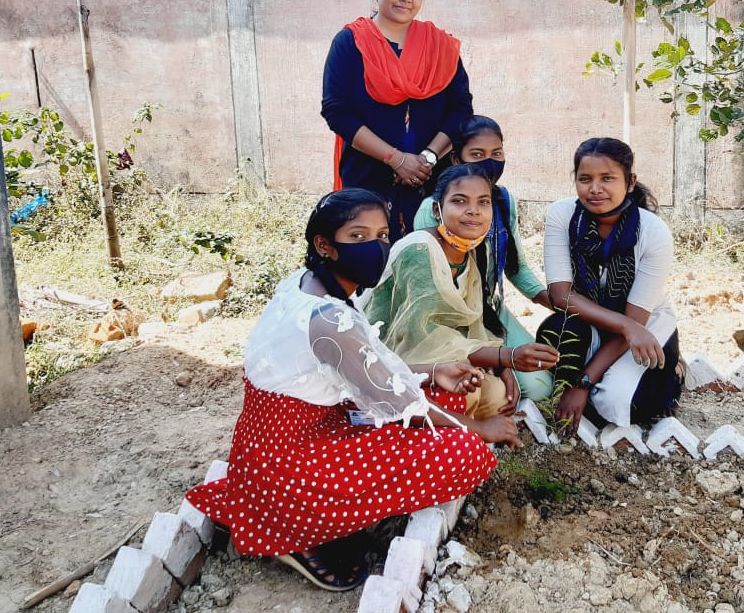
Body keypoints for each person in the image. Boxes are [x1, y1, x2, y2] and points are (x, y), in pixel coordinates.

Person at [185, 189, 518, 593]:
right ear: (324, 245)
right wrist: (477, 428)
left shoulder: (305, 285)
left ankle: (295, 510)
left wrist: (432, 371)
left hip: (268, 447)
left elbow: (365, 369)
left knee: (446, 400)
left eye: (381, 236)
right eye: (358, 237)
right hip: (292, 466)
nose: (376, 248)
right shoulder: (327, 316)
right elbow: (397, 402)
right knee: (466, 453)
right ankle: (296, 532)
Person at [366, 164, 558, 419]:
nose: (473, 211)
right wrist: (505, 357)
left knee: (496, 395)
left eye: (483, 202)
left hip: (447, 354)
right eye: (459, 201)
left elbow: (473, 323)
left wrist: (501, 365)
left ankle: (461, 434)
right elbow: (421, 337)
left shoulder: (474, 251)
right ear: (437, 210)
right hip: (392, 359)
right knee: (467, 394)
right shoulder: (420, 250)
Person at [321, 0, 473, 240]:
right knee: (373, 266)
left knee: (428, 262)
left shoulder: (440, 46)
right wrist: (396, 159)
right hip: (368, 178)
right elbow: (336, 112)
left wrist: (427, 158)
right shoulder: (351, 42)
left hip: (431, 181)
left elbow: (460, 109)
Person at [538, 137, 683, 433]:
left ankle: (672, 376)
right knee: (555, 328)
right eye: (585, 179)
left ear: (630, 182)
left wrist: (583, 382)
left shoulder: (653, 233)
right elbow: (560, 295)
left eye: (607, 178)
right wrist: (625, 325)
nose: (595, 189)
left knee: (614, 404)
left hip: (644, 327)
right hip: (591, 319)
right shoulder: (563, 215)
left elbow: (635, 320)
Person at [413, 116, 558, 400]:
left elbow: (516, 268)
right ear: (456, 158)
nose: (489, 163)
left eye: (497, 154)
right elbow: (431, 299)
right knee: (483, 389)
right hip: (447, 320)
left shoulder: (503, 201)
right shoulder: (432, 210)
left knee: (540, 386)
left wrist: (555, 302)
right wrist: (497, 361)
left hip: (490, 311)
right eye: (477, 155)